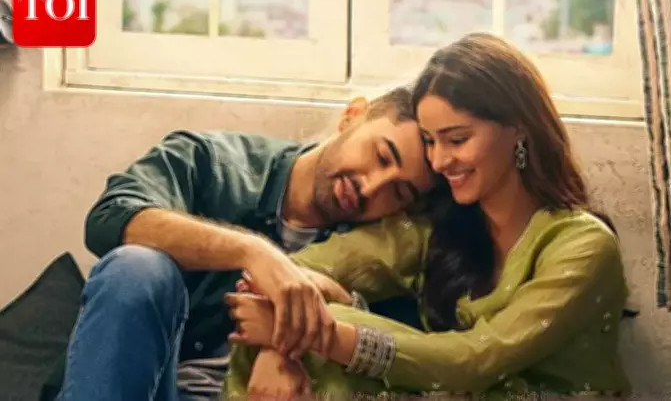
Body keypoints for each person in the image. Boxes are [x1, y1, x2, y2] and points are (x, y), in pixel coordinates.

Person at [223, 32, 632, 400]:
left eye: (457, 139)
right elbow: (301, 269)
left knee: (330, 330)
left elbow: (474, 360)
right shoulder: (441, 226)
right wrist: (283, 340)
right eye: (430, 142)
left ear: (519, 129)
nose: (439, 161)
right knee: (299, 324)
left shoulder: (583, 247)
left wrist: (318, 334)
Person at [49, 87, 443, 401]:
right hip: (143, 388)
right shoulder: (212, 161)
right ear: (352, 115)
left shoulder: (385, 249)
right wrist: (254, 253)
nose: (371, 187)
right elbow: (109, 218)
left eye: (399, 192)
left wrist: (300, 332)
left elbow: (401, 356)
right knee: (137, 268)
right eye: (381, 156)